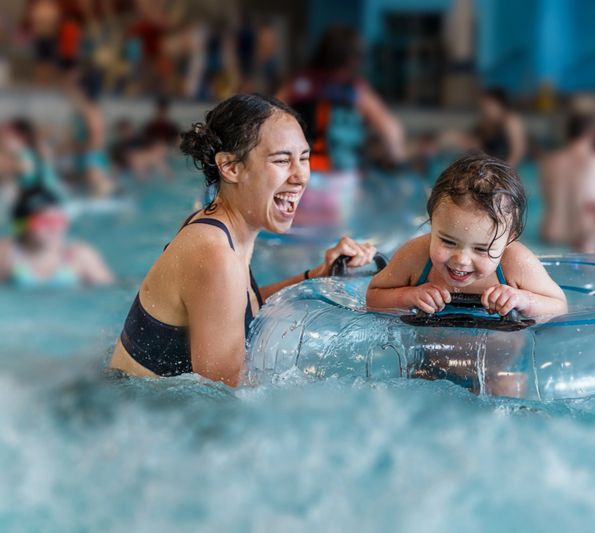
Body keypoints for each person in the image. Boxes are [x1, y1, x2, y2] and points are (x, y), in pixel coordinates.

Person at [109, 94, 376, 386]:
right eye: (282, 160)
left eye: (304, 158)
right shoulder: (214, 254)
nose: (301, 176)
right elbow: (225, 396)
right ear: (231, 167)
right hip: (132, 415)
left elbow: (240, 305)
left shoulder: (216, 228)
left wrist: (317, 277)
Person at [367, 152, 566, 319]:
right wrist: (408, 296)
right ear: (432, 222)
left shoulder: (515, 264)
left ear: (509, 240)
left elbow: (559, 306)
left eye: (481, 249)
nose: (461, 260)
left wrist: (523, 300)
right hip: (425, 362)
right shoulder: (416, 256)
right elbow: (373, 297)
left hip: (504, 365)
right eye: (447, 241)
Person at [276, 25, 404, 228]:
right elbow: (391, 130)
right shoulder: (355, 90)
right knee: (335, 241)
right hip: (341, 181)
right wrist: (395, 161)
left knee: (297, 235)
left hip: (300, 176)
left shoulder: (297, 84)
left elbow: (265, 117)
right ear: (354, 57)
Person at [0, 186, 114, 287]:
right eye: (45, 222)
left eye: (58, 221)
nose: (54, 229)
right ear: (22, 226)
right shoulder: (7, 253)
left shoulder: (79, 255)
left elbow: (111, 290)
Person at [539, 112, 595, 253]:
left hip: (549, 237)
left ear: (567, 134)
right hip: (582, 242)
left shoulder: (548, 163)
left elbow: (547, 198)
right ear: (592, 135)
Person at [66, 71, 115, 197]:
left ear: (83, 89)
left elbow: (97, 141)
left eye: (72, 86)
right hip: (85, 162)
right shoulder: (82, 110)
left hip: (93, 164)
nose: (68, 88)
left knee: (99, 199)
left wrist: (72, 147)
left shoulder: (91, 111)